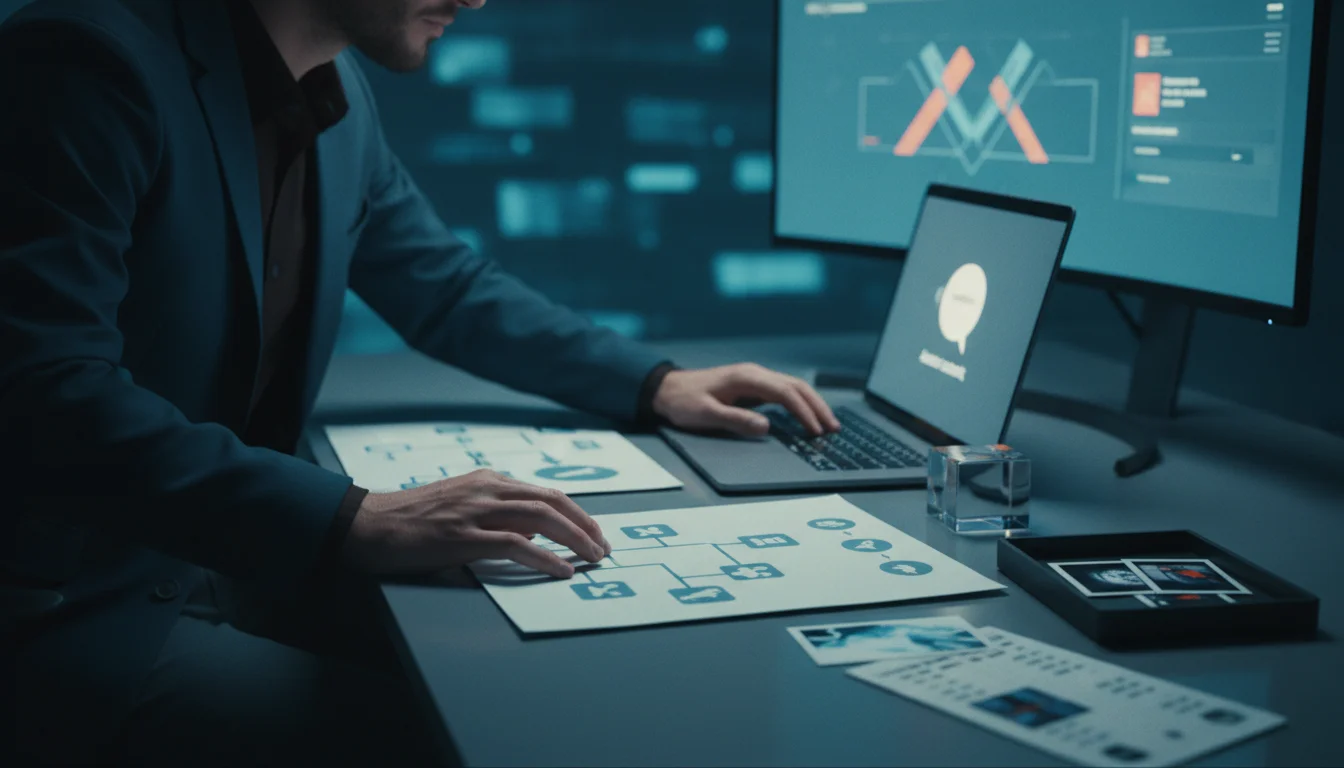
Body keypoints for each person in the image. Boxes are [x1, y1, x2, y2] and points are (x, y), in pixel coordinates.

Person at [0, 0, 841, 764]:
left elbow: (441, 285)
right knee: (490, 739)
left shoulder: (337, 89)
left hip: (237, 561)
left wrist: (654, 382)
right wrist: (353, 517)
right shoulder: (84, 62)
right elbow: (44, 395)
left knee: (568, 684)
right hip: (78, 613)